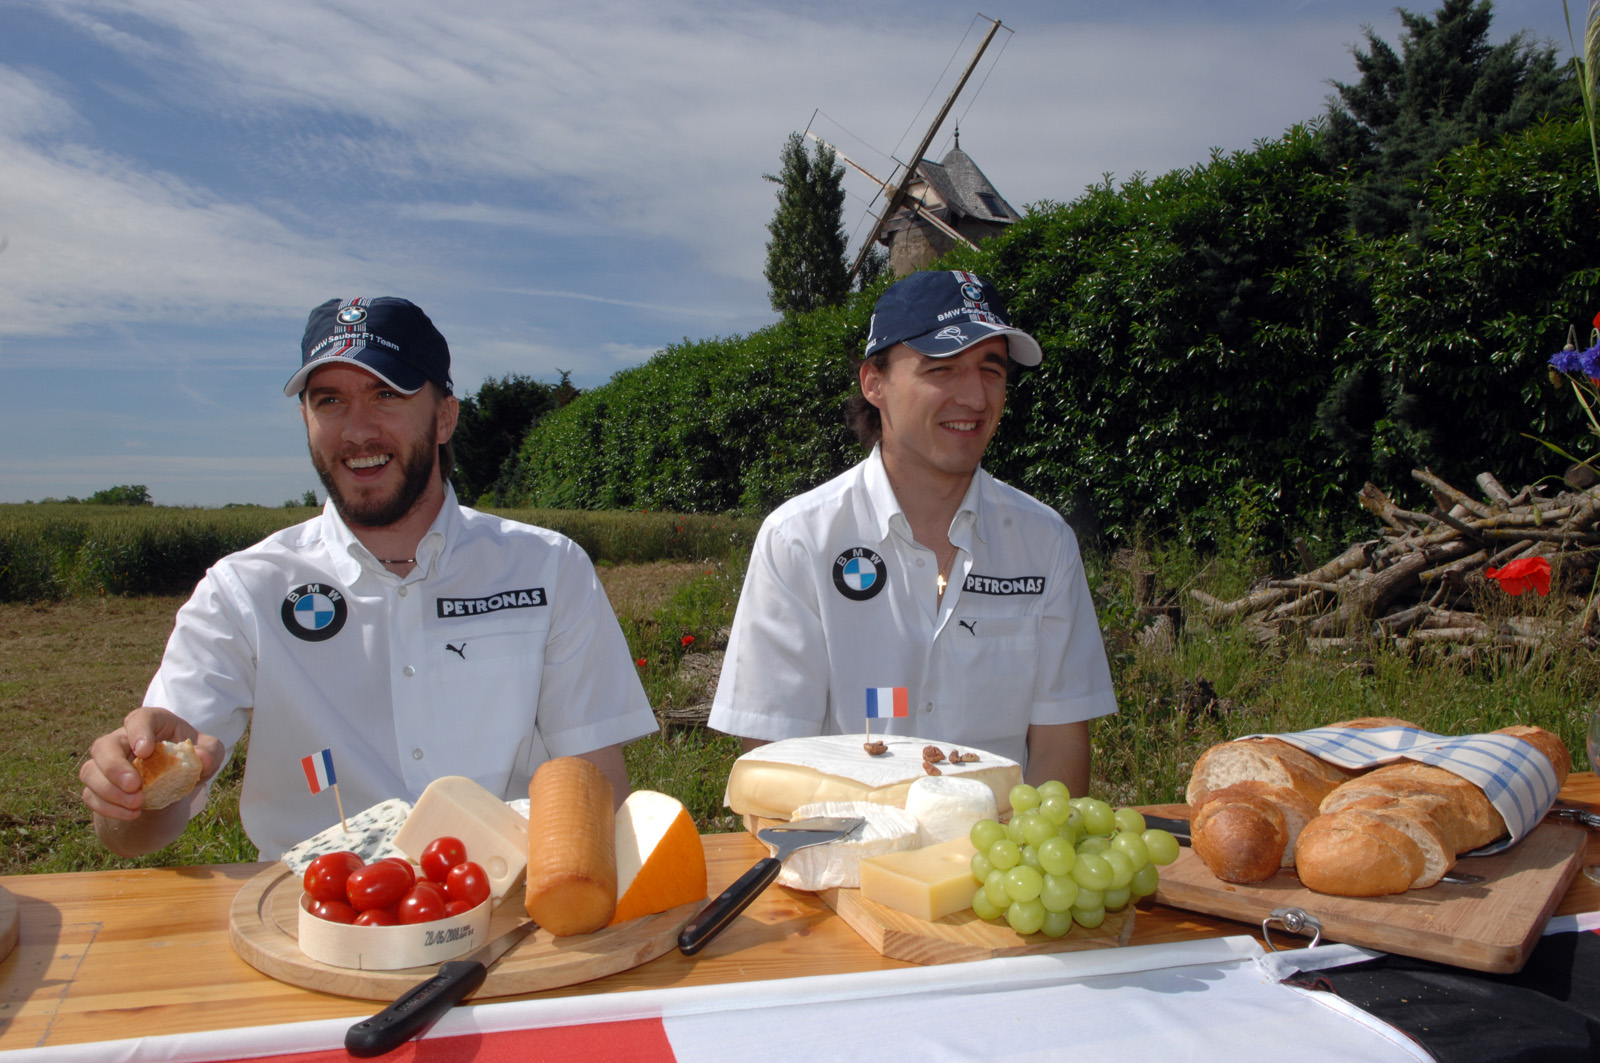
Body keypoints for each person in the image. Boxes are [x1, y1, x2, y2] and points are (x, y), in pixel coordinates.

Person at [79, 296, 658, 859]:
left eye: (387, 394)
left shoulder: (547, 568)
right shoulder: (244, 590)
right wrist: (129, 795)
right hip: (314, 919)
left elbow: (597, 786)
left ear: (444, 417)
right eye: (329, 400)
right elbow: (142, 838)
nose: (358, 430)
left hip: (507, 908)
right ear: (305, 419)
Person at [707, 270, 1117, 795]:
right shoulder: (800, 541)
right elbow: (775, 757)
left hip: (1001, 867)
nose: (974, 397)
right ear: (873, 383)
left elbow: (1060, 743)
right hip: (852, 860)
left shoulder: (1045, 544)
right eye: (942, 368)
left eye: (991, 369)